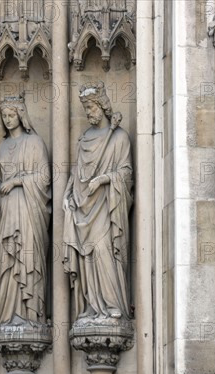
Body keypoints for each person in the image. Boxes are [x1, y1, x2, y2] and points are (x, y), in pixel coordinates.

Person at [63, 81, 133, 320]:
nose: (89, 113)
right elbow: (76, 173)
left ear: (103, 106)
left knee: (104, 251)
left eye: (92, 108)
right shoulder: (84, 140)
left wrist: (104, 179)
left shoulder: (119, 137)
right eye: (86, 110)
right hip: (83, 207)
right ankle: (92, 306)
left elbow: (126, 173)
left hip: (106, 205)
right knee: (87, 256)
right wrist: (68, 195)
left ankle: (113, 303)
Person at [0, 94, 51, 324]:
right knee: (1, 262)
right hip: (6, 215)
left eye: (12, 115)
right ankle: (8, 316)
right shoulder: (3, 146)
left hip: (28, 212)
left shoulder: (34, 143)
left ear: (21, 115)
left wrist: (17, 181)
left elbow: (44, 178)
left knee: (26, 260)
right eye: (4, 116)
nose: (8, 120)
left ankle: (28, 315)